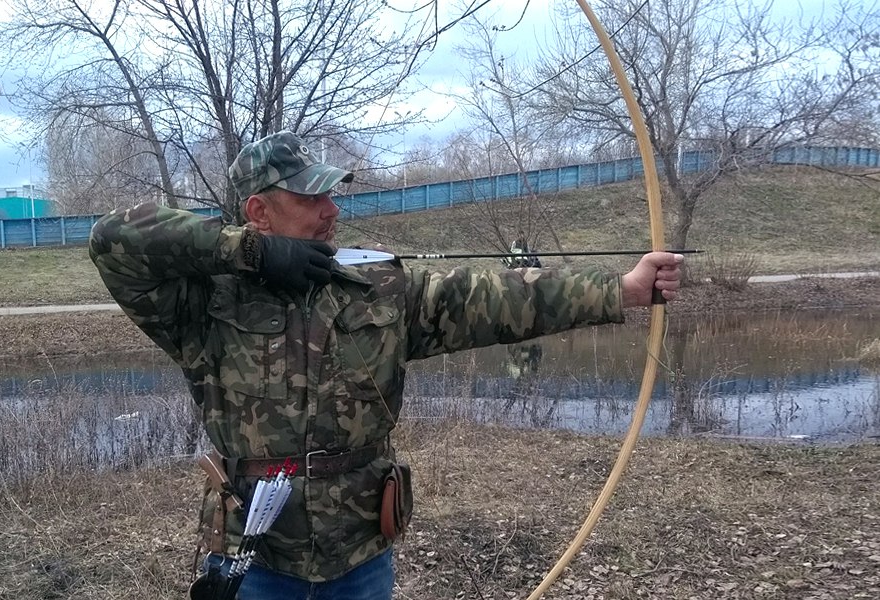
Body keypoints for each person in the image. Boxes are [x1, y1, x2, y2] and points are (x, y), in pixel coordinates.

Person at [89, 130, 683, 600]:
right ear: (259, 211)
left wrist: (622, 290)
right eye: (310, 198)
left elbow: (490, 298)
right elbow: (113, 237)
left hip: (358, 558)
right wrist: (249, 252)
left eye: (330, 195)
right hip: (255, 557)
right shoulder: (203, 303)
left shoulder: (376, 288)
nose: (331, 210)